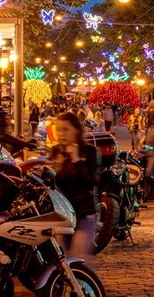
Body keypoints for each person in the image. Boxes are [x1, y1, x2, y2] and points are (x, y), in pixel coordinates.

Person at [49, 112, 99, 262]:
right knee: (61, 260)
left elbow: (91, 181)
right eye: (58, 130)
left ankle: (85, 285)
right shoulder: (56, 151)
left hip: (83, 212)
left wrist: (77, 160)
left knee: (78, 258)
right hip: (61, 214)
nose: (61, 134)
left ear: (76, 130)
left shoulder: (88, 151)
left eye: (66, 129)